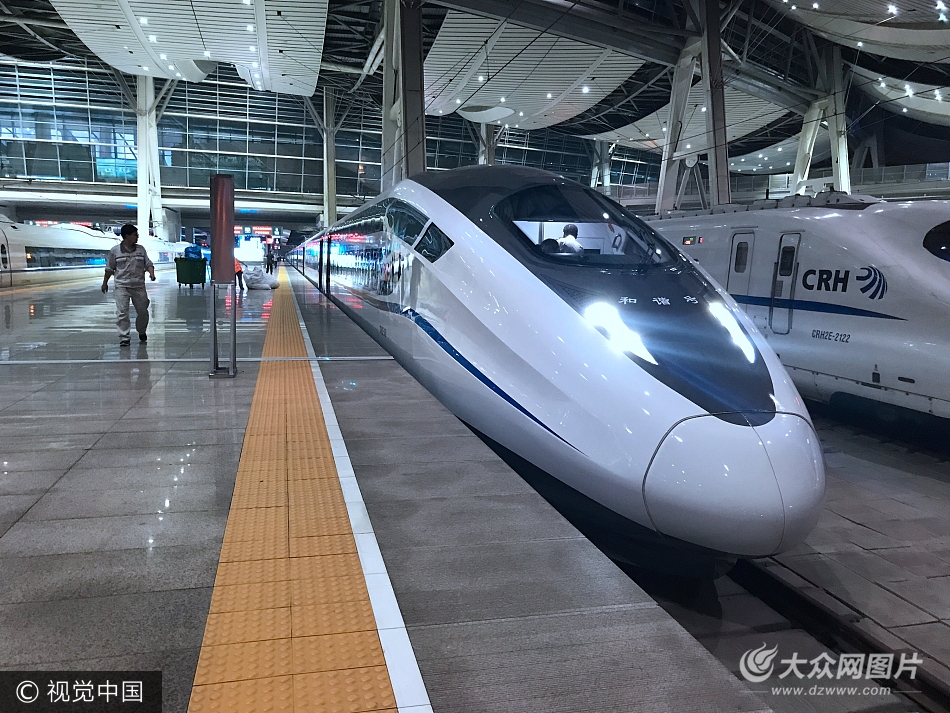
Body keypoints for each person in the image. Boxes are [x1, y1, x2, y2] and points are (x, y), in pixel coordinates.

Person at [101, 223, 155, 347]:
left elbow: (148, 263)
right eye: (135, 235)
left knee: (143, 311)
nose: (137, 237)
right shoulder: (115, 251)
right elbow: (109, 269)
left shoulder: (141, 249)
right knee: (122, 312)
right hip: (122, 286)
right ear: (127, 236)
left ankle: (141, 330)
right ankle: (124, 337)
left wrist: (151, 273)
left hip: (138, 286)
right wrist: (105, 283)